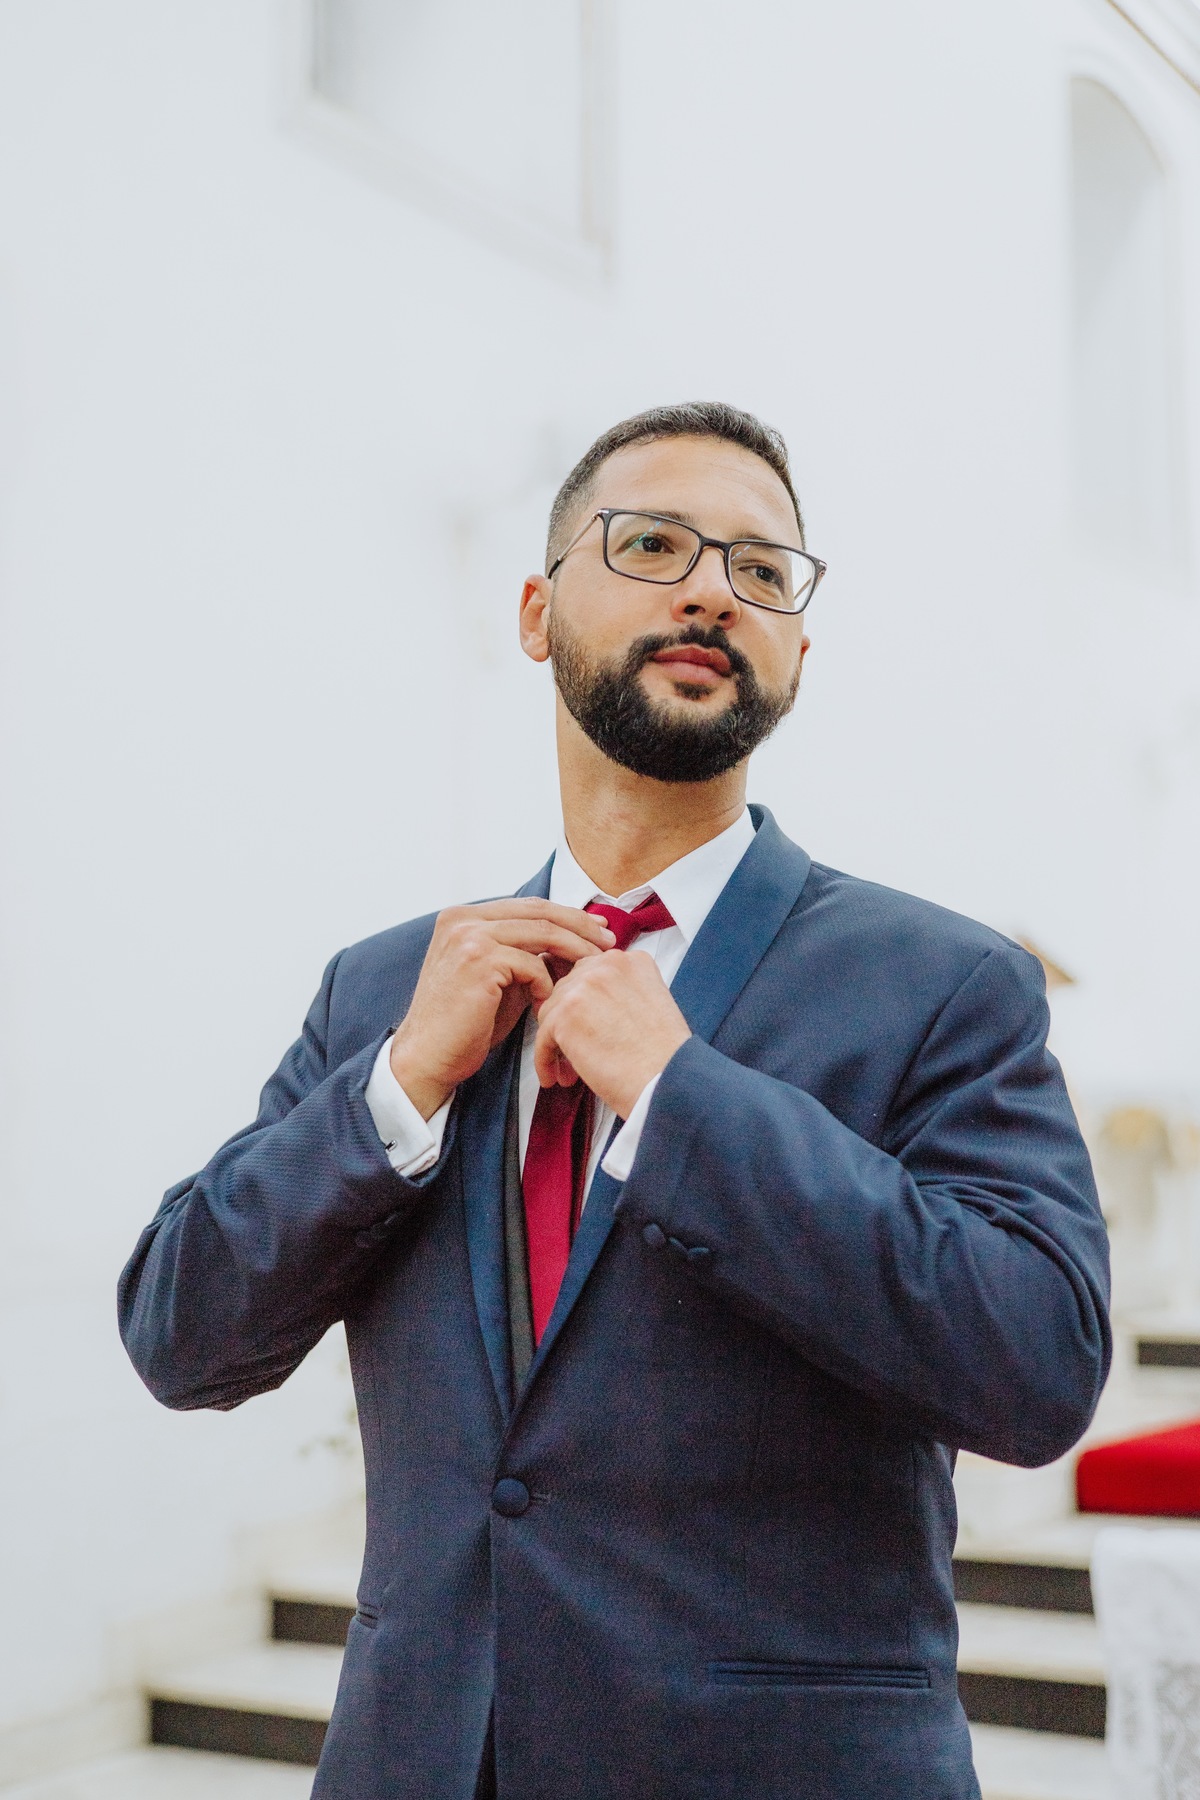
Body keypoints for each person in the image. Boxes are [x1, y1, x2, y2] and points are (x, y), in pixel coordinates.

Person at [119, 401, 1111, 1800]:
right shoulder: (384, 992)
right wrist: (400, 1087)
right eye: (652, 543)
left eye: (764, 570)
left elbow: (1037, 1364)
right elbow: (180, 1331)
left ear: (797, 654)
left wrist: (683, 1099)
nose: (714, 585)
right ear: (536, 613)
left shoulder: (946, 984)